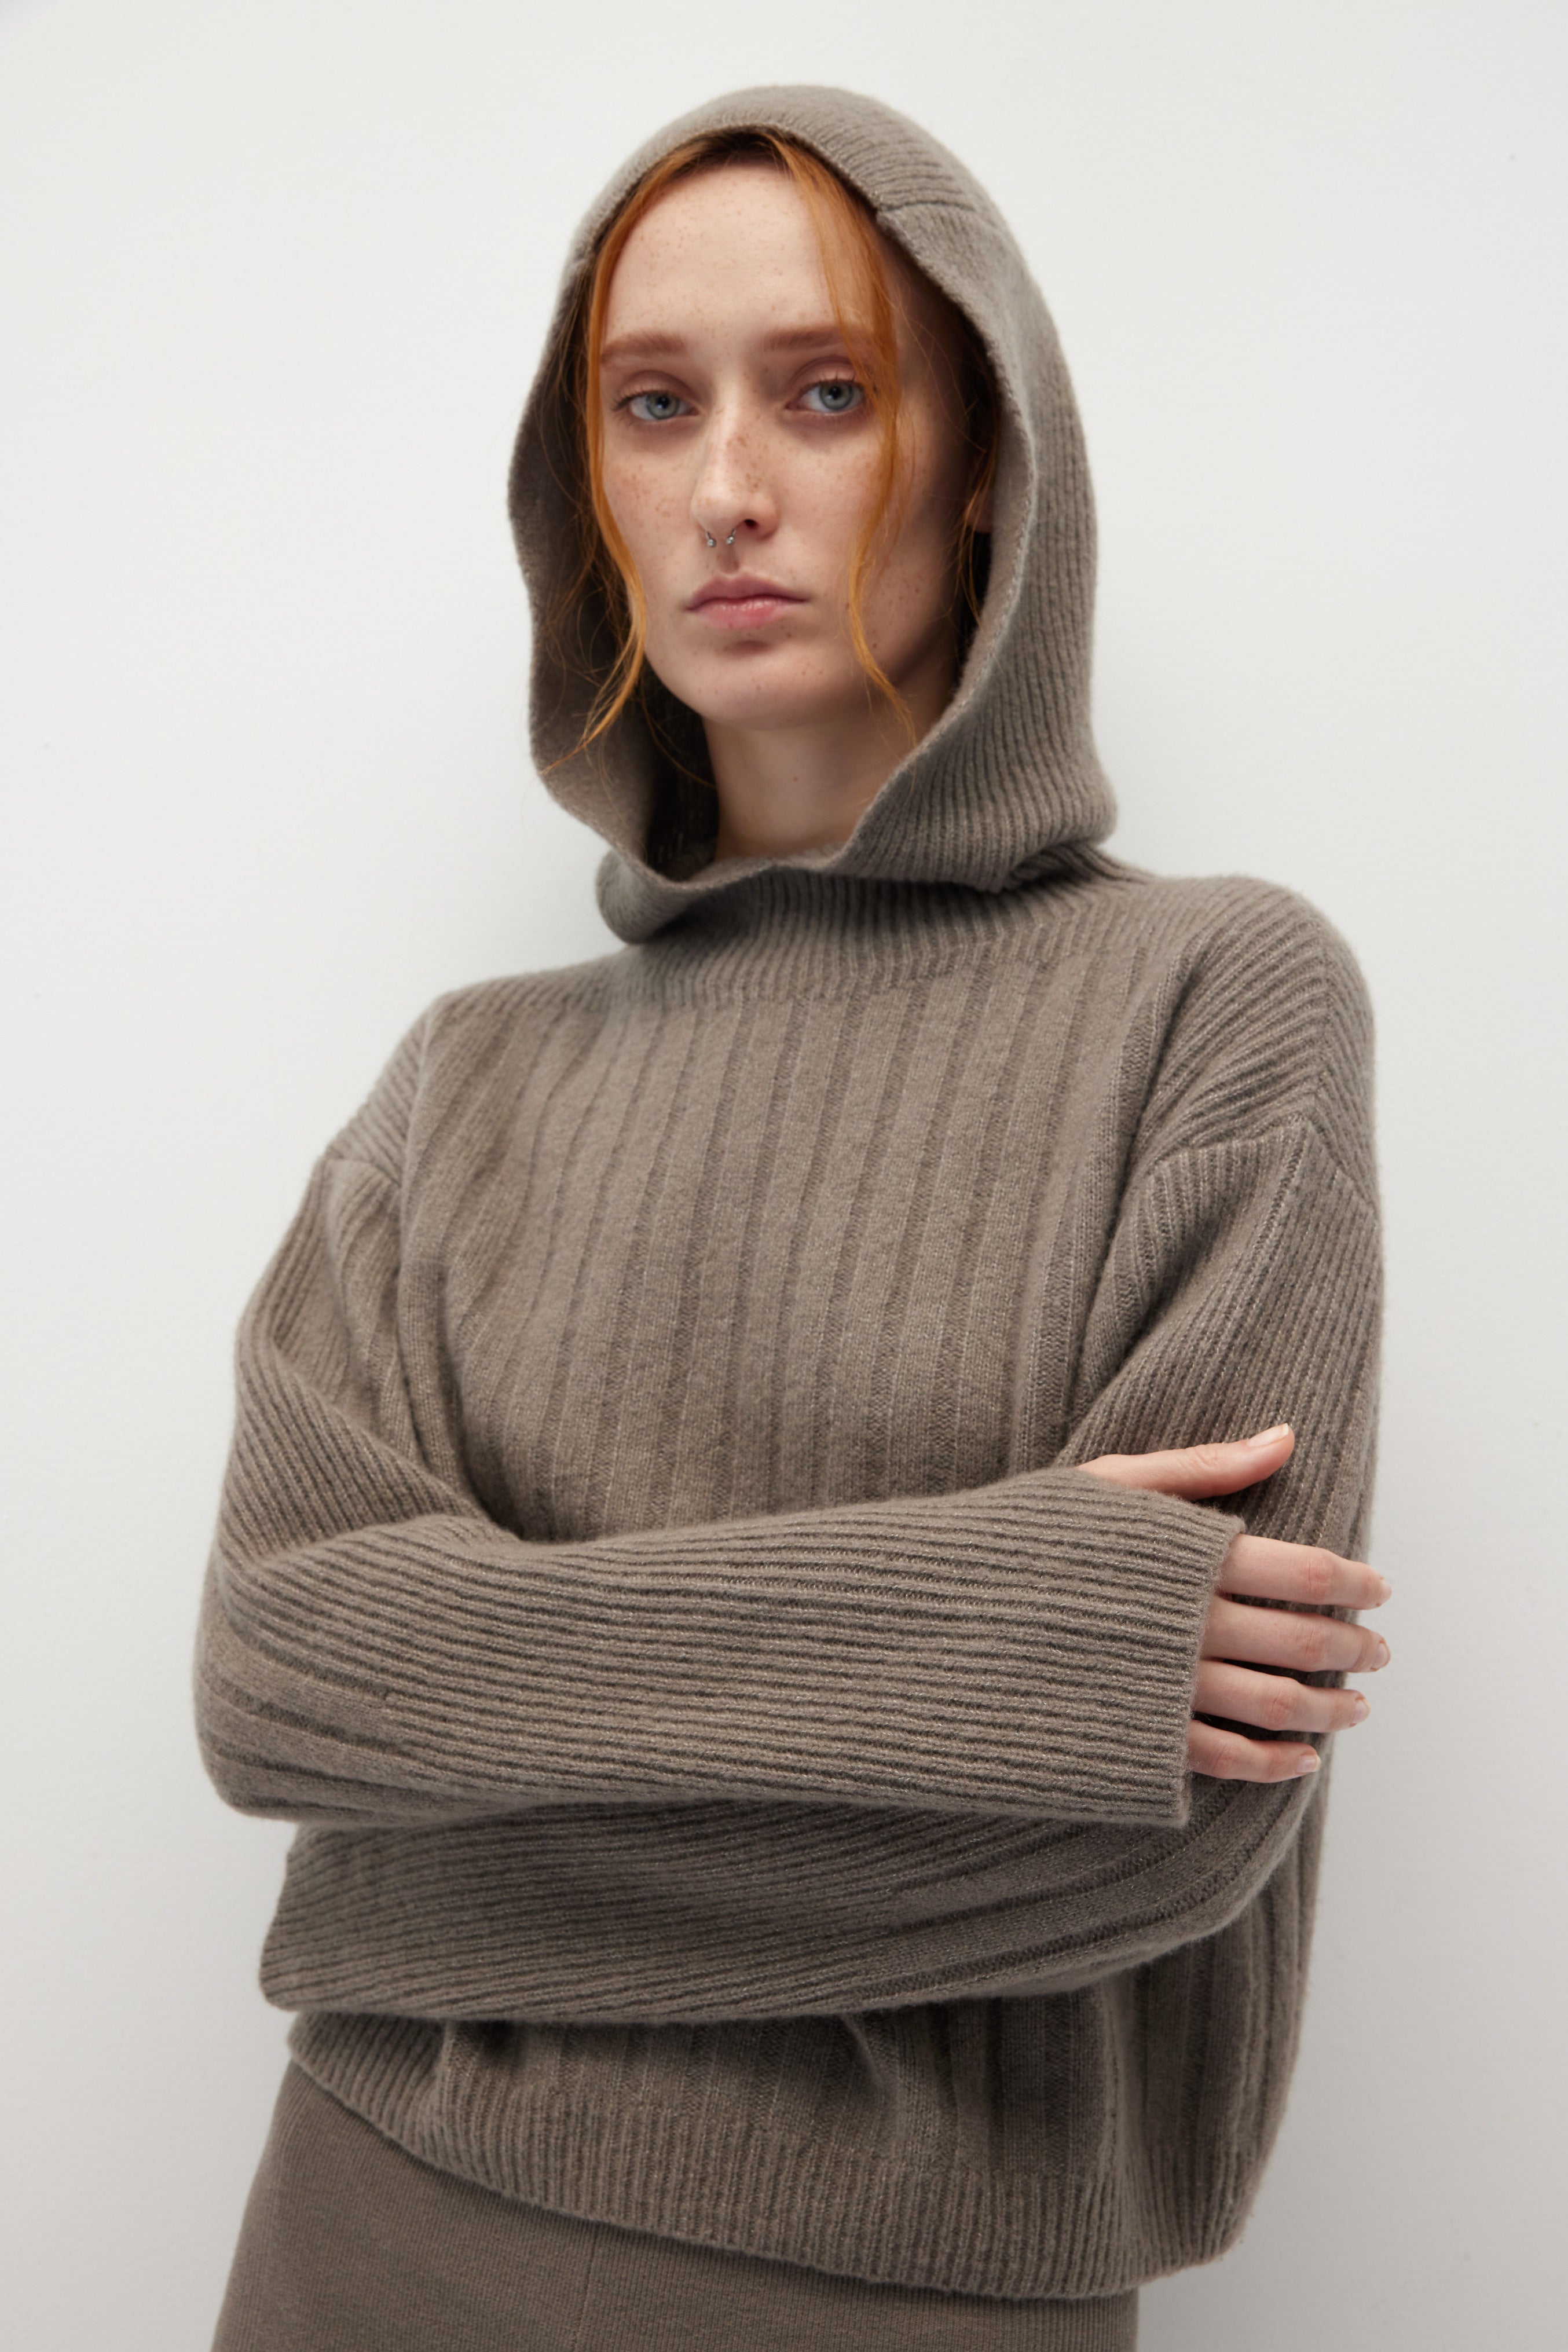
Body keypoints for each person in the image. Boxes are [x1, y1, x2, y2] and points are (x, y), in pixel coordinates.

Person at [199, 86, 1390, 2352]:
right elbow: (281, 1675)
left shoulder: (1213, 999)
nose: (726, 487)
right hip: (365, 2231)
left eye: (824, 392)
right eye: (652, 405)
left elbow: (1164, 1809)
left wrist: (436, 1859)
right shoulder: (464, 1079)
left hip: (926, 2294)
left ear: (982, 458)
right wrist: (1004, 1628)